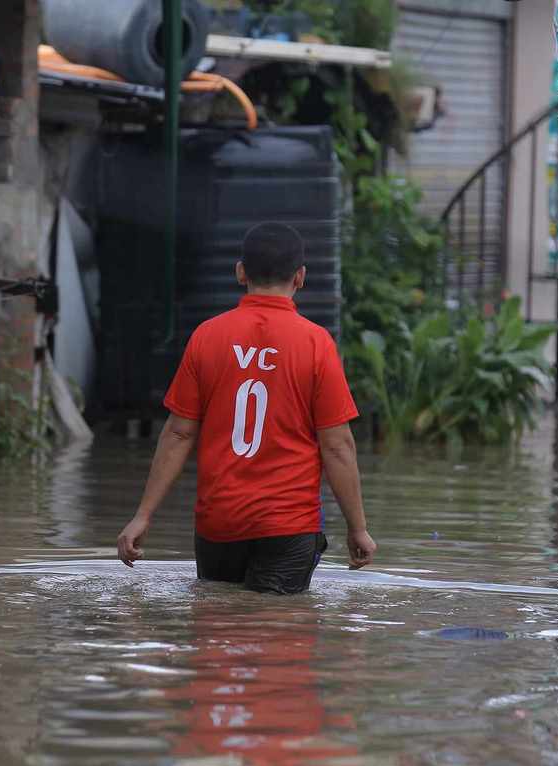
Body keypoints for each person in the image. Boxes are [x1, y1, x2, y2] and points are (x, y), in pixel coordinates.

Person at [116, 222, 376, 594]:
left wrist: (142, 516)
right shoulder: (316, 343)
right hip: (289, 524)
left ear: (240, 272)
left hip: (218, 524)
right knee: (276, 633)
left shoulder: (207, 336)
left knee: (219, 633)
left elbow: (178, 432)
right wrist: (357, 527)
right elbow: (337, 445)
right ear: (300, 277)